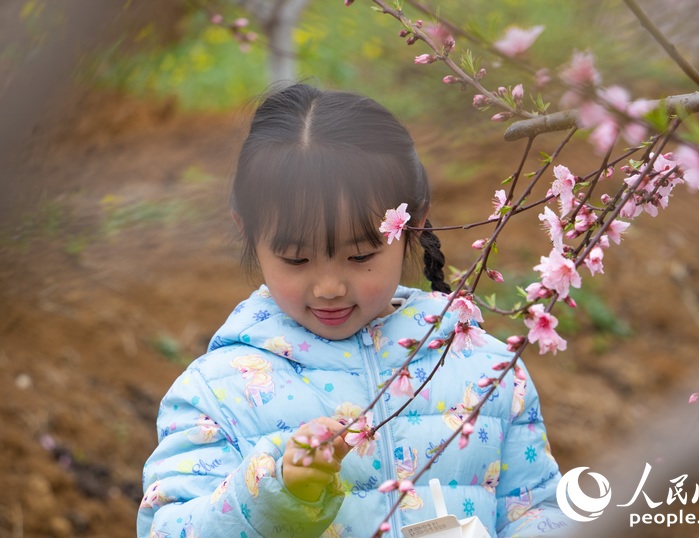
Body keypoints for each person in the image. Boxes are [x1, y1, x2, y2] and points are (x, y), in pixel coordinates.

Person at [137, 83, 572, 537]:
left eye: (361, 256)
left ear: (412, 224)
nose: (329, 286)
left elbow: (536, 508)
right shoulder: (217, 395)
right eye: (296, 259)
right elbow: (168, 528)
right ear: (247, 232)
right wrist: (276, 492)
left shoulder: (487, 371)